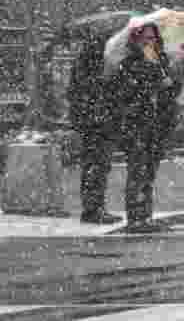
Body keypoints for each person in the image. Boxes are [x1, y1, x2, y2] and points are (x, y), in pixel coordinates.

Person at [111, 22, 181, 233]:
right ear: (137, 39)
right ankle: (135, 216)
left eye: (153, 38)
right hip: (137, 122)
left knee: (149, 170)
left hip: (157, 123)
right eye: (146, 38)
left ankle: (146, 215)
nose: (150, 42)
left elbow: (171, 88)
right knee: (138, 169)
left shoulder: (160, 59)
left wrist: (170, 84)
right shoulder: (129, 61)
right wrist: (152, 79)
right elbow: (128, 90)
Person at [67, 36, 122, 225]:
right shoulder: (95, 61)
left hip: (96, 121)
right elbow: (89, 91)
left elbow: (77, 92)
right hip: (96, 122)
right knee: (96, 164)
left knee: (96, 164)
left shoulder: (89, 60)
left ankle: (94, 207)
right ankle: (93, 209)